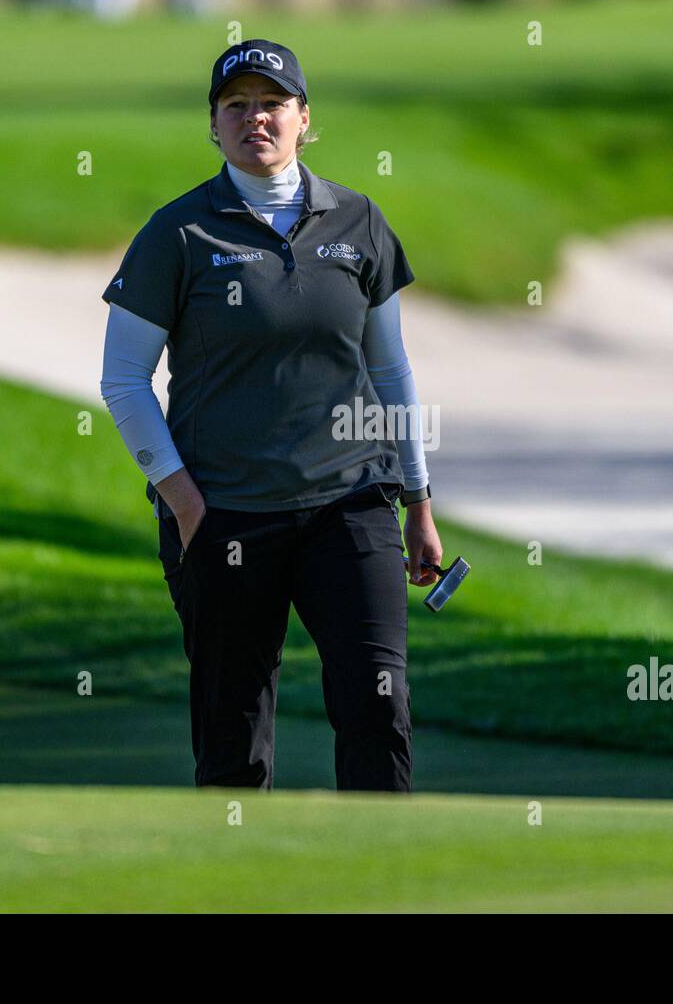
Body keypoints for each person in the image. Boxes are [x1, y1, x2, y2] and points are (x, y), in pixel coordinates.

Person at [99, 39, 443, 793]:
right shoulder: (180, 233)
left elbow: (389, 367)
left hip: (350, 501)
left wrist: (418, 500)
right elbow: (124, 380)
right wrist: (184, 500)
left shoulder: (359, 222)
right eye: (237, 105)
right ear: (214, 126)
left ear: (304, 118)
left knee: (377, 707)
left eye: (272, 103)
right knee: (234, 737)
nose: (256, 117)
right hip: (226, 513)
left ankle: (385, 883)